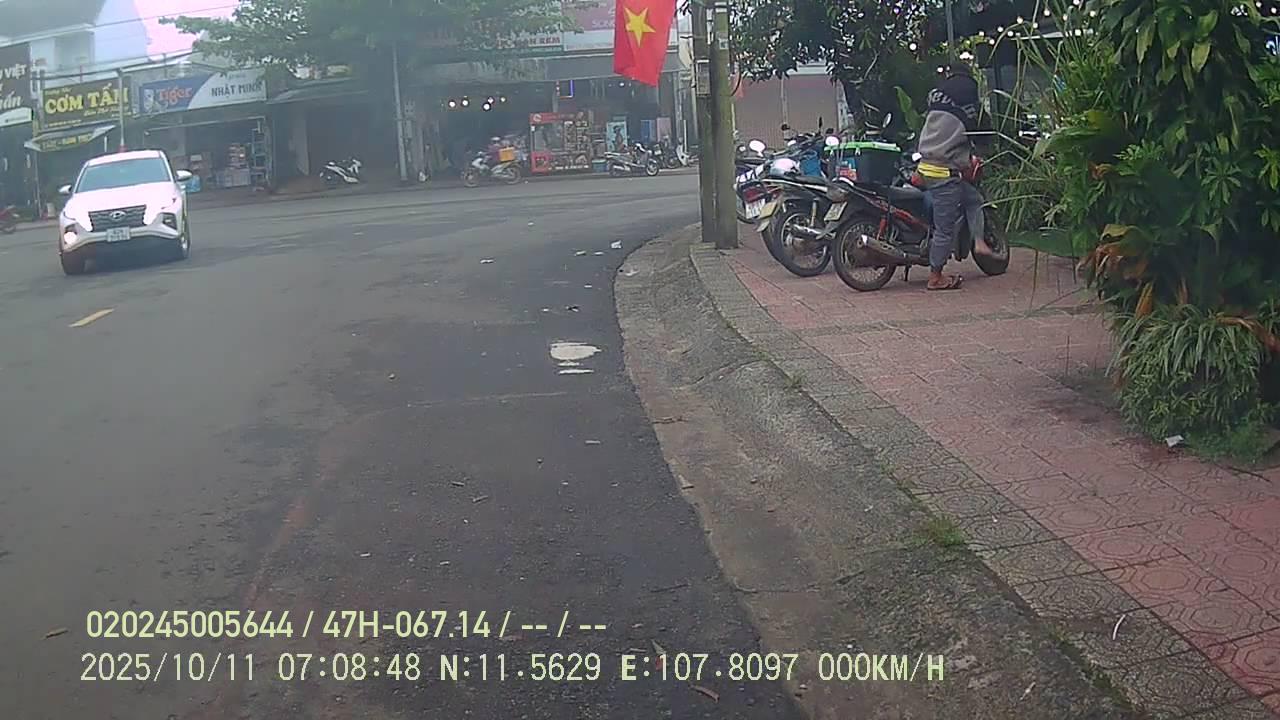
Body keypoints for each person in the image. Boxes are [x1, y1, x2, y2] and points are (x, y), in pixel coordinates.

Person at [915, 63, 992, 291]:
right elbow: (981, 130)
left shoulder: (936, 97)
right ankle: (935, 276)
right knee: (945, 229)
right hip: (944, 173)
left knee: (973, 199)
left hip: (924, 166)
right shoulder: (969, 100)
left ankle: (979, 241)